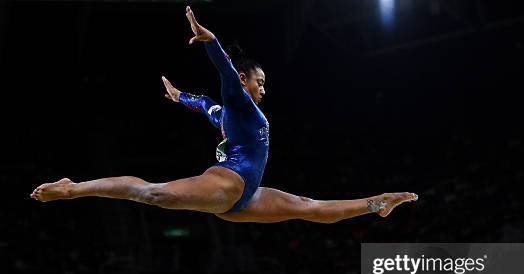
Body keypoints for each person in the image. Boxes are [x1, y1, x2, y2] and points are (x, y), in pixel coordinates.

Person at [30, 6, 417, 223]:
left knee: (309, 208)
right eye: (259, 81)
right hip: (229, 183)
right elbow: (226, 79)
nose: (263, 89)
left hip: (245, 199)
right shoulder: (240, 98)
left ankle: (376, 202)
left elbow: (206, 106)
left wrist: (180, 95)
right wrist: (212, 43)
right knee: (154, 194)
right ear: (245, 79)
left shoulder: (230, 115)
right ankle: (72, 188)